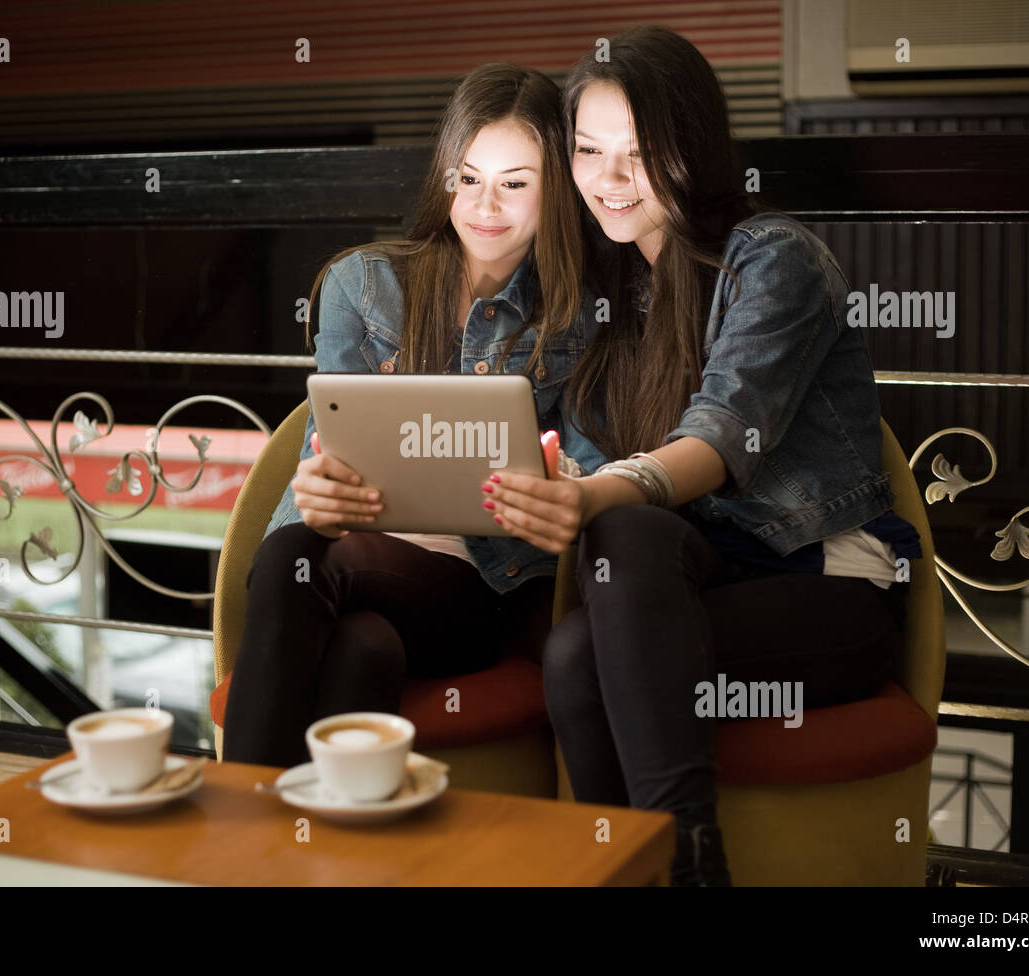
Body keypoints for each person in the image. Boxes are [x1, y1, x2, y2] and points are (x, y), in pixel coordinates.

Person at [478, 27, 920, 885]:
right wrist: (568, 481)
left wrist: (608, 489)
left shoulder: (773, 259)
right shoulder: (615, 301)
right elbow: (592, 463)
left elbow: (721, 436)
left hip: (824, 588)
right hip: (690, 584)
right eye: (589, 151)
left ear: (696, 148)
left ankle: (682, 868)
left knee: (613, 562)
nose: (608, 180)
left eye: (639, 154)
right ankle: (648, 869)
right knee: (585, 625)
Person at [221, 63, 607, 768]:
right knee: (365, 644)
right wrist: (320, 484)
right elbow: (325, 442)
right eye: (468, 177)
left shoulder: (583, 314)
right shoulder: (363, 284)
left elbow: (597, 471)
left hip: (481, 589)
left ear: (560, 191)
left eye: (515, 184)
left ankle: (236, 831)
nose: (486, 205)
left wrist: (559, 476)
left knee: (293, 559)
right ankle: (320, 849)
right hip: (342, 562)